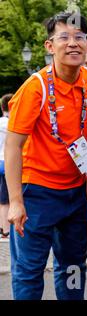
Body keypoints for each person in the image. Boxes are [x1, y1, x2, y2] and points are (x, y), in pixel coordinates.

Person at [6, 11, 87, 300]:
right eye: (64, 37)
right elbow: (12, 146)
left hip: (75, 193)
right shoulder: (35, 87)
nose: (73, 44)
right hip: (37, 193)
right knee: (29, 270)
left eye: (79, 37)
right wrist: (16, 202)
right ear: (49, 45)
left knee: (72, 268)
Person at [0, 93, 12, 240]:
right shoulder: (11, 123)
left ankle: (2, 227)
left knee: (1, 198)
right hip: (8, 163)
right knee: (8, 198)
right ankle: (7, 229)